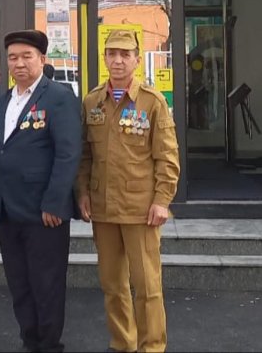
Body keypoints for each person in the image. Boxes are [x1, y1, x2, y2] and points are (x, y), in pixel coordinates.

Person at [0, 29, 81, 353]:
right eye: (13, 58)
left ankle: (49, 345)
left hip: (43, 212)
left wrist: (55, 202)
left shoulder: (59, 97)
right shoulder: (4, 100)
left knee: (46, 285)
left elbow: (68, 154)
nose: (19, 63)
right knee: (19, 284)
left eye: (27, 57)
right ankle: (30, 342)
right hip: (8, 209)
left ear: (42, 59)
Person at [78, 29, 180, 353]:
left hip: (141, 210)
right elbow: (84, 155)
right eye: (112, 54)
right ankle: (123, 344)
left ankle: (152, 347)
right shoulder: (92, 101)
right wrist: (82, 193)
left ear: (137, 60)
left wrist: (162, 200)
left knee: (147, 287)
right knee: (113, 285)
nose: (118, 60)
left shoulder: (152, 101)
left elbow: (167, 156)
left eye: (125, 54)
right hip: (104, 208)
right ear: (104, 58)